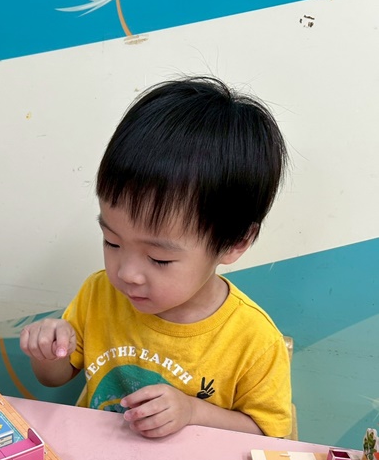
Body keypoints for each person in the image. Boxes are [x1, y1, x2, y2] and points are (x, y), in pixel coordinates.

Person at [20, 76, 291, 439]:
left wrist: (193, 411)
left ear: (235, 243)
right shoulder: (98, 293)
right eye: (112, 242)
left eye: (159, 259)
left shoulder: (253, 340)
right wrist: (46, 351)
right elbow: (54, 378)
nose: (127, 273)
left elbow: (268, 434)